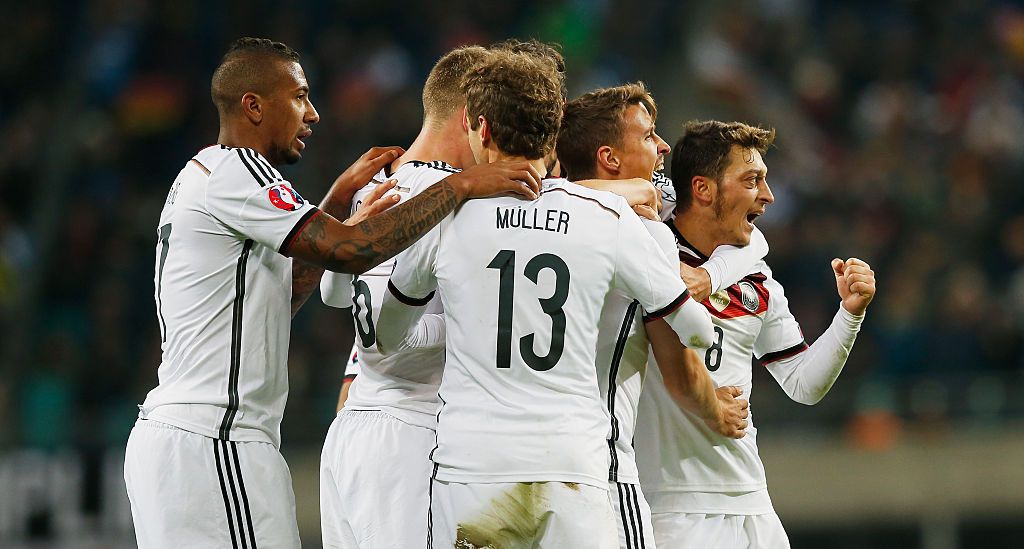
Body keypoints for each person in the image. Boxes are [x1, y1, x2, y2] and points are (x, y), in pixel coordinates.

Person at [122, 37, 542, 549]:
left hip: (206, 438)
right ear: (253, 106)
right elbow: (351, 252)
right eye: (299, 96)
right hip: (213, 438)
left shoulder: (206, 177)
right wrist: (462, 186)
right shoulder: (236, 169)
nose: (313, 114)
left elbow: (282, 293)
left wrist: (335, 201)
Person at [375, 50, 714, 549]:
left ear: (481, 129)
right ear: (552, 134)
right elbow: (697, 331)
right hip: (574, 467)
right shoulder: (607, 216)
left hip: (473, 470)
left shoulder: (445, 219)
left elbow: (386, 338)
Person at [634, 120, 876, 548]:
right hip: (670, 506)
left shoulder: (757, 275)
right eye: (752, 180)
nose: (768, 195)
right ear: (704, 189)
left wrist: (850, 314)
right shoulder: (644, 253)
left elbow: (803, 383)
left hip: (755, 505)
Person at [555, 83, 767, 549]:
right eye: (650, 137)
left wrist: (709, 276)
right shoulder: (641, 229)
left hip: (519, 448)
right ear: (610, 158)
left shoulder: (540, 213)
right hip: (605, 454)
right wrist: (716, 409)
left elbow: (755, 240)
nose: (665, 147)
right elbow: (683, 342)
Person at [318, 44, 490, 549]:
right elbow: (386, 342)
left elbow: (336, 295)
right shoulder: (460, 200)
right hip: (414, 437)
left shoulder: (374, 186)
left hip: (352, 431)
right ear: (471, 118)